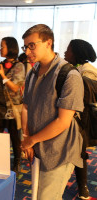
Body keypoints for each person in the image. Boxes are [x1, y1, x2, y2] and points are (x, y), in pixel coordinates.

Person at [20, 24, 84, 200]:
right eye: (25, 46)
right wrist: (27, 137)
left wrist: (31, 140)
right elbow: (25, 106)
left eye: (32, 45)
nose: (27, 51)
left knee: (47, 197)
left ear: (48, 43)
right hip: (37, 146)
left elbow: (63, 122)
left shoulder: (69, 75)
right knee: (38, 194)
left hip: (59, 151)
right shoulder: (32, 72)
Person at [64, 39, 97, 200]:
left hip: (85, 119)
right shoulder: (74, 68)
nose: (65, 52)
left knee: (81, 152)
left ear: (76, 53)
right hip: (74, 116)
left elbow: (87, 95)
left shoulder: (87, 70)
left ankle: (83, 186)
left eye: (68, 50)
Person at [0, 37, 25, 173]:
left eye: (3, 46)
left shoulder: (19, 66)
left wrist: (2, 75)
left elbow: (15, 88)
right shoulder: (1, 64)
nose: (0, 49)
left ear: (11, 48)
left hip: (13, 109)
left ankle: (17, 162)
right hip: (1, 107)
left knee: (14, 138)